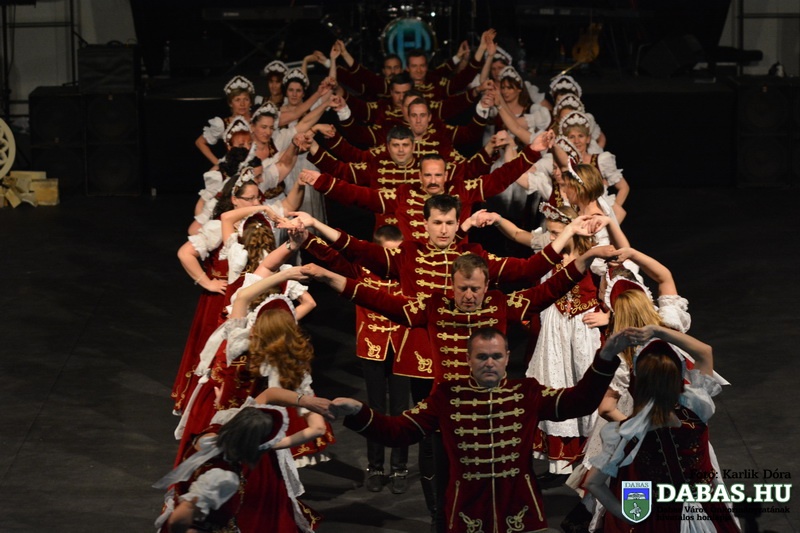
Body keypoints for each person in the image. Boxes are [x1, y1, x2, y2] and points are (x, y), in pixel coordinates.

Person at [330, 327, 625, 533]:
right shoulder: (447, 396)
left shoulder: (527, 392)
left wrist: (606, 357)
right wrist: (359, 412)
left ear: (507, 357)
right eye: (482, 357)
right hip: (467, 511)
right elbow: (399, 431)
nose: (489, 363)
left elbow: (580, 401)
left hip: (520, 509)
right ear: (468, 359)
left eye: (496, 356)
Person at [584, 329, 740, 532]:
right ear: (678, 378)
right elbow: (704, 352)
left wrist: (631, 517)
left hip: (660, 521)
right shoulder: (696, 410)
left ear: (639, 385)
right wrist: (658, 331)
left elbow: (593, 483)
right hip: (708, 510)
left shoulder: (626, 433)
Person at [156, 388, 333, 533]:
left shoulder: (213, 434)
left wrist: (304, 400)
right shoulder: (222, 477)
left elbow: (269, 394)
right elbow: (181, 518)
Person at [195, 76, 255, 166]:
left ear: (250, 102)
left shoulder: (258, 120)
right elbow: (200, 142)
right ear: (230, 103)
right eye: (237, 100)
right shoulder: (223, 124)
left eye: (246, 99)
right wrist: (218, 164)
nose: (242, 104)